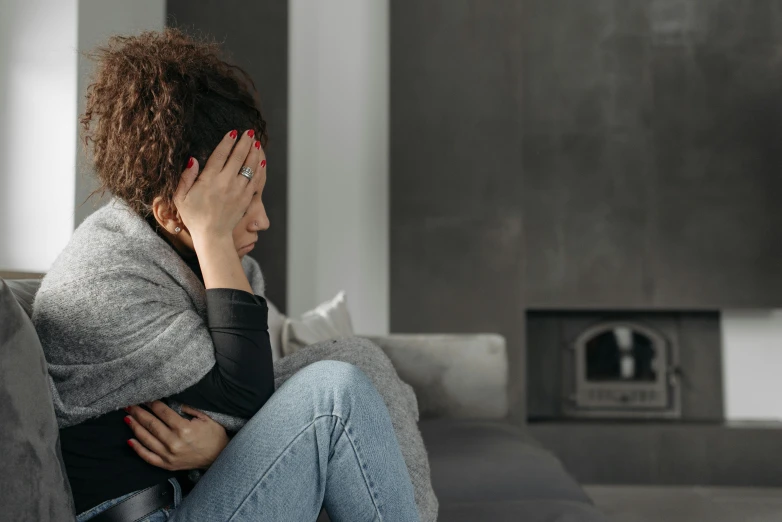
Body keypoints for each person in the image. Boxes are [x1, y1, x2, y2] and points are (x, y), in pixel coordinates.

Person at [32, 28, 437, 522]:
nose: (263, 220)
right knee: (335, 394)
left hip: (198, 496)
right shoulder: (101, 278)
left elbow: (248, 395)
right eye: (241, 202)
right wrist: (213, 236)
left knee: (358, 361)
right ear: (172, 213)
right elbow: (247, 397)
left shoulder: (212, 262)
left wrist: (219, 447)